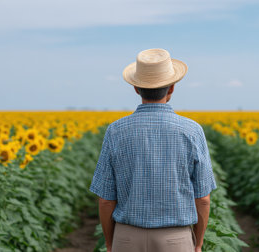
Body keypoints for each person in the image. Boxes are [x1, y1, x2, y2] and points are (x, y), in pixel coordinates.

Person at [89, 48, 216, 252]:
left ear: (136, 89)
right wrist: (198, 244)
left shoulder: (115, 131)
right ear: (172, 88)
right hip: (176, 239)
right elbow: (203, 199)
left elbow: (105, 200)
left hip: (127, 237)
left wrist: (111, 242)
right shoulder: (192, 131)